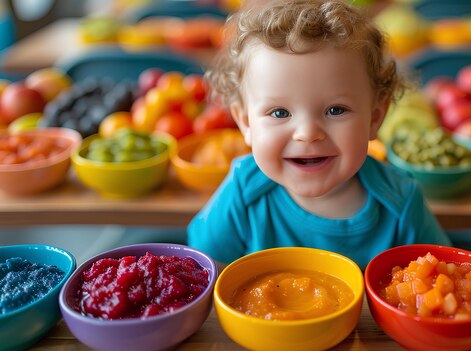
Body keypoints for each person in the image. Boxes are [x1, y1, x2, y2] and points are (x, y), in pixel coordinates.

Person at [188, 0, 451, 270]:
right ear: (246, 123)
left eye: (336, 110)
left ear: (374, 117)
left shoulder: (401, 200)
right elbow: (203, 269)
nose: (307, 133)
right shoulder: (243, 191)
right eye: (279, 113)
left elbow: (440, 277)